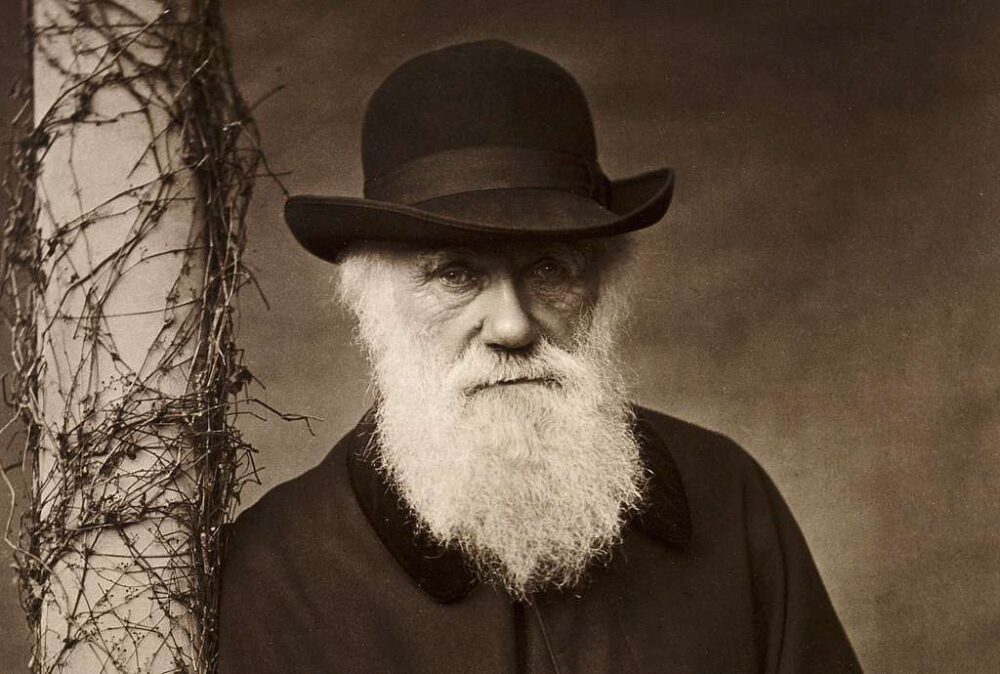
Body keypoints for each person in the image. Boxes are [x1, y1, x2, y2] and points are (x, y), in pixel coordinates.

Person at [219, 40, 862, 673]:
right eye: (455, 275)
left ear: (602, 289)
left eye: (549, 269)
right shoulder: (280, 568)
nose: (512, 326)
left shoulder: (726, 491)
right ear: (375, 304)